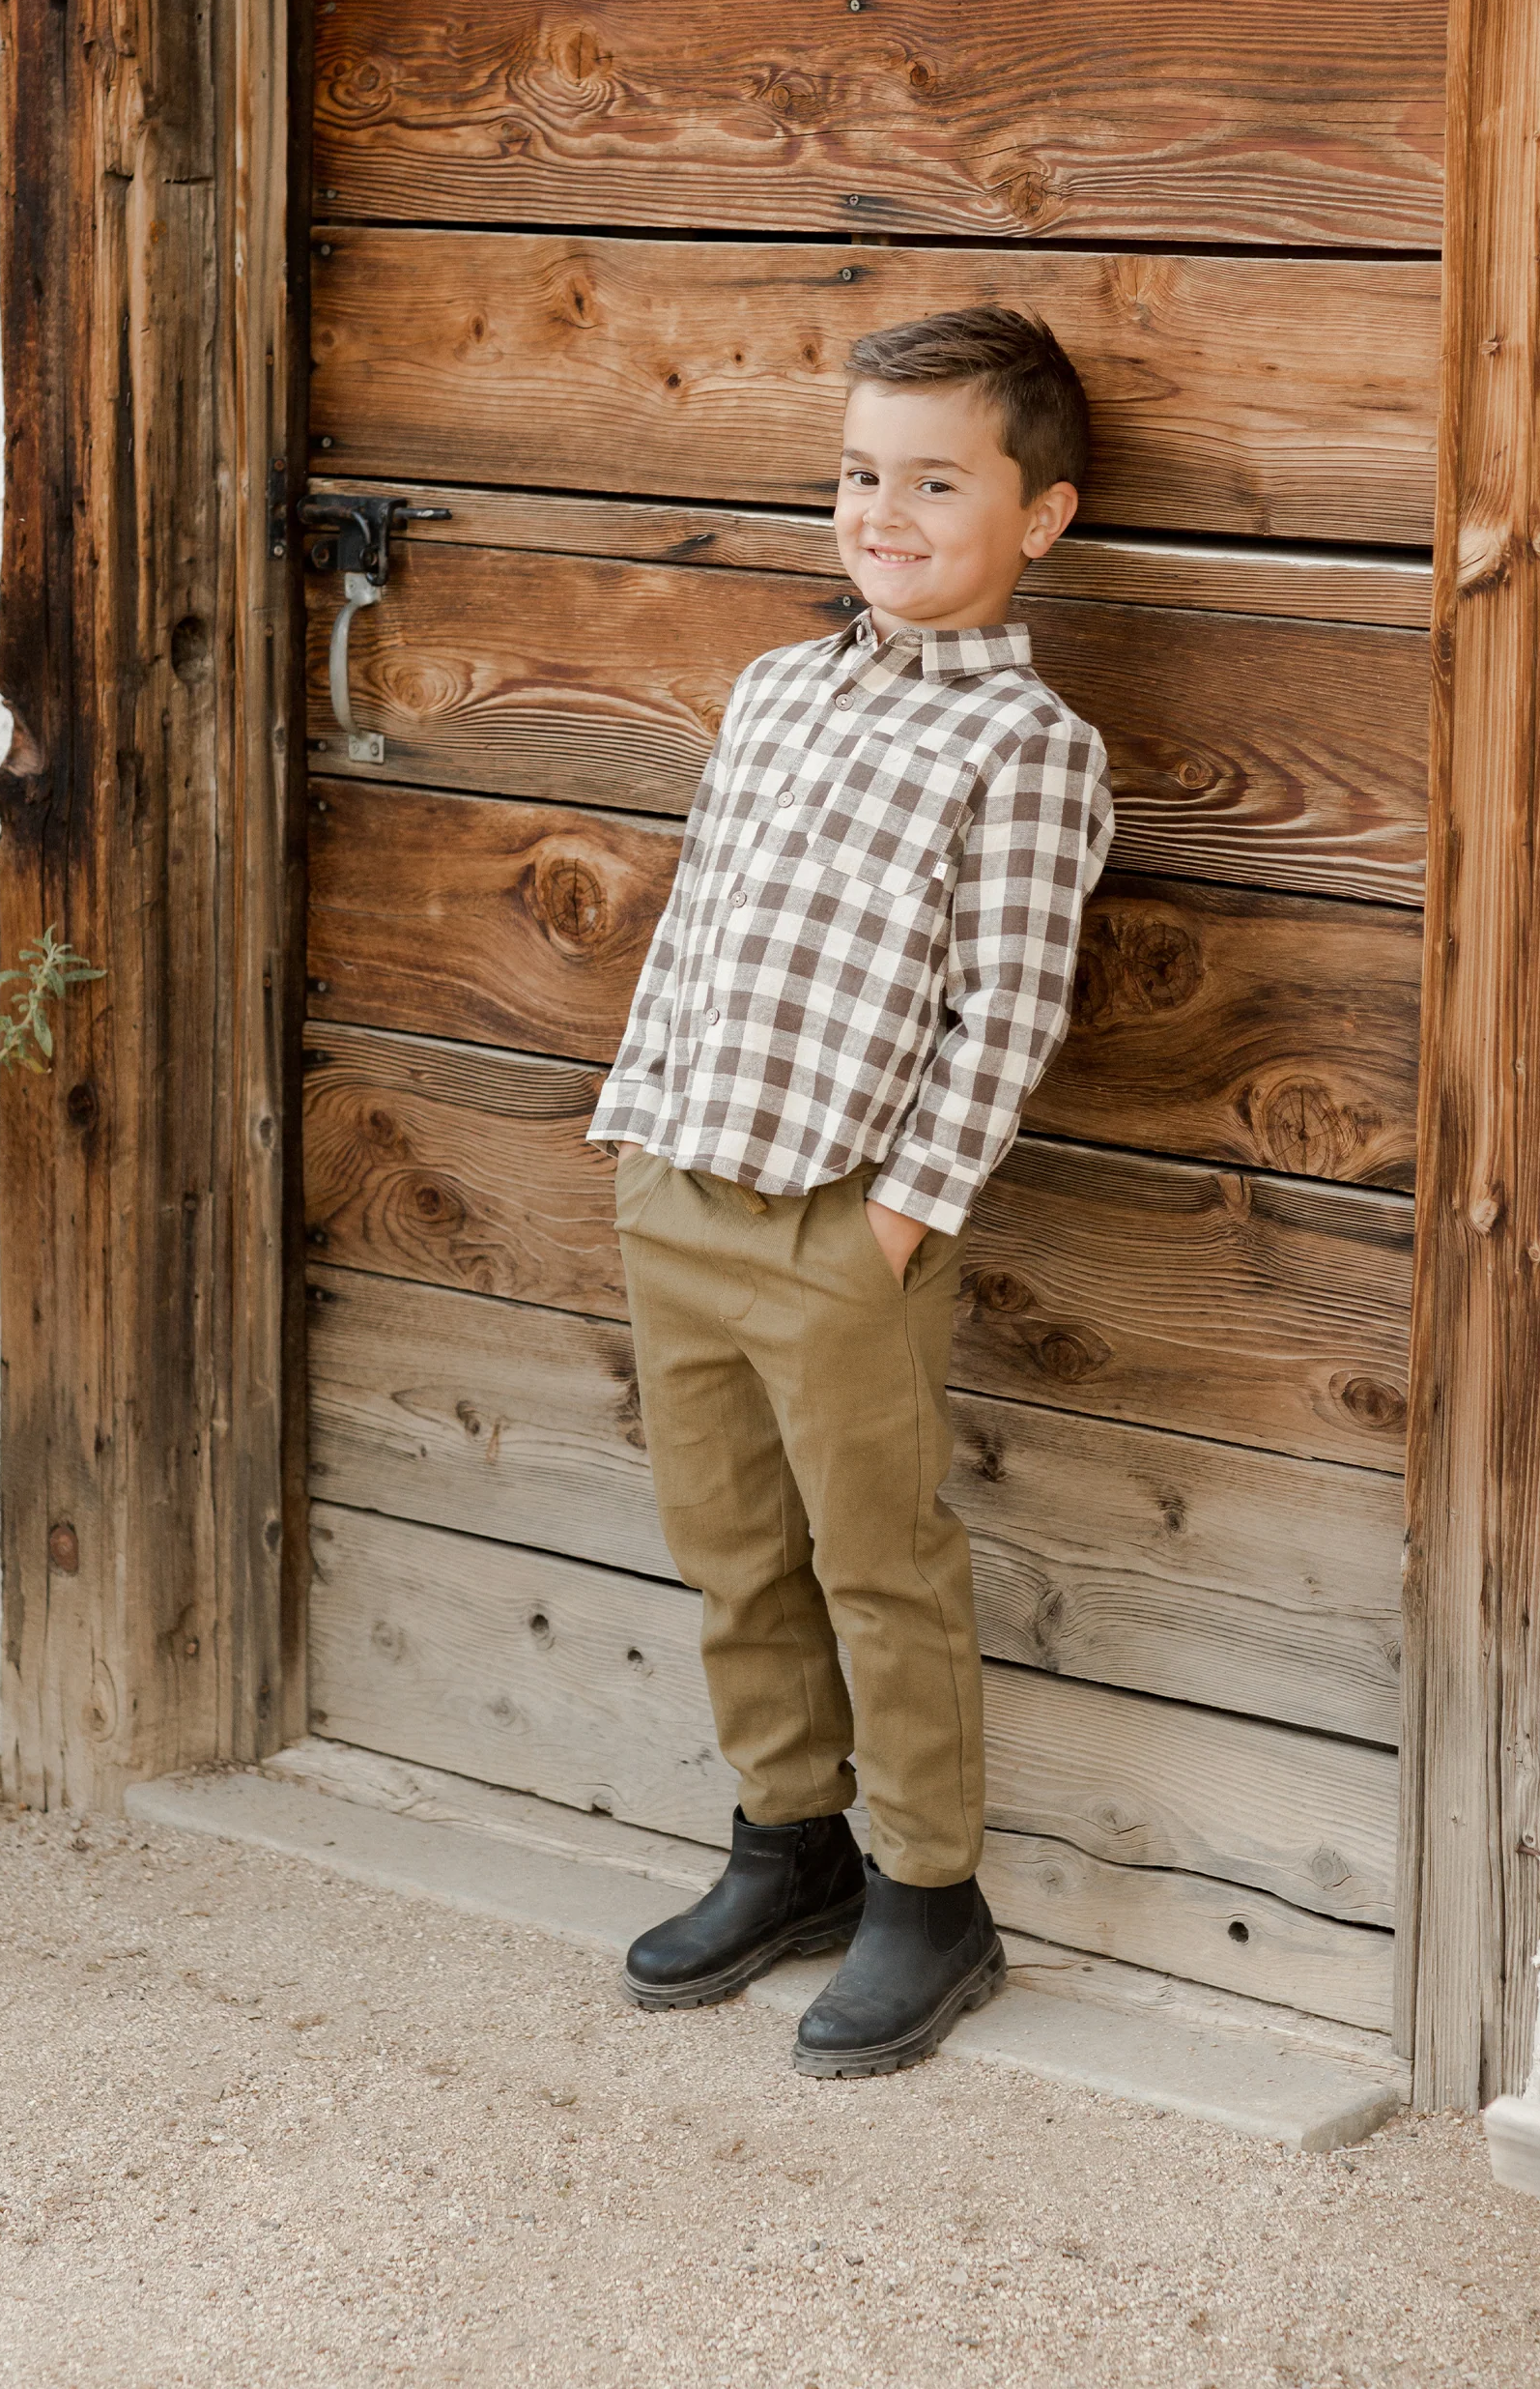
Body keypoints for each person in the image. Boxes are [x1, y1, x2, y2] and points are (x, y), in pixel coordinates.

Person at [587, 305, 1113, 2077]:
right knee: (732, 1550)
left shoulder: (1027, 745)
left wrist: (900, 1220)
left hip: (844, 1226)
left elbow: (1008, 1009)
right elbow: (699, 922)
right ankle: (784, 1842)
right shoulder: (777, 687)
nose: (883, 513)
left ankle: (925, 1893)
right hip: (687, 1188)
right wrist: (642, 1130)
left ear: (1038, 514)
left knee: (877, 1566)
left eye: (936, 481)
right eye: (859, 474)